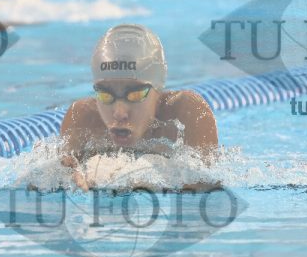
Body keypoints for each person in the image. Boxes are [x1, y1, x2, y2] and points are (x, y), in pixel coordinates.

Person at [60, 24, 218, 190]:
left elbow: (204, 188)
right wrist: (72, 177)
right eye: (106, 95)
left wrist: (145, 183)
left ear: (158, 90)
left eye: (135, 95)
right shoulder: (83, 119)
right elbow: (60, 175)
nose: (119, 113)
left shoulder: (187, 113)